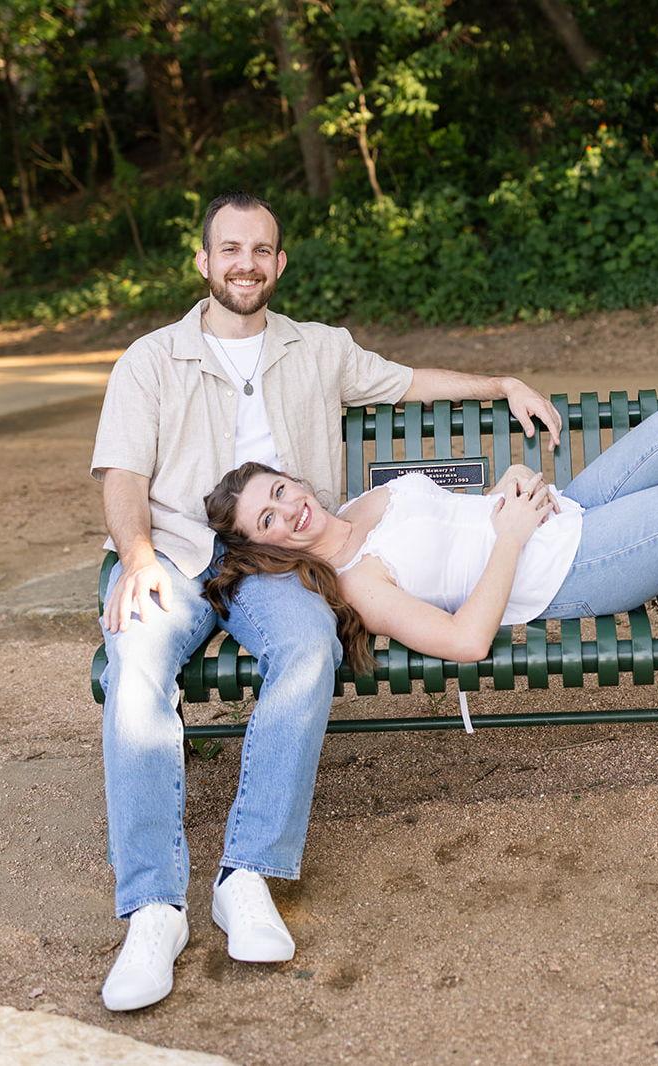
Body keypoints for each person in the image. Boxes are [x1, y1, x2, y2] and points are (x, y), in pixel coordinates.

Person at [92, 190, 564, 1012]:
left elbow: (408, 381)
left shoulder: (316, 348)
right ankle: (154, 908)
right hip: (172, 550)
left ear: (278, 263)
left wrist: (502, 380)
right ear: (203, 261)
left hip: (275, 559)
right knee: (136, 661)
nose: (245, 263)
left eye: (260, 250)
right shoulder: (150, 359)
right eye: (229, 248)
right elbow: (122, 475)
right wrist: (136, 555)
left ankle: (246, 876)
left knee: (311, 646)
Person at [204, 400, 658, 768]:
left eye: (279, 490)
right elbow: (465, 640)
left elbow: (462, 520)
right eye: (268, 519)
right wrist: (510, 538)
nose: (287, 510)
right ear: (264, 547)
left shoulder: (366, 502)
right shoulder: (360, 584)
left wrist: (509, 487)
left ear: (292, 478)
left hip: (565, 514)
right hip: (574, 566)